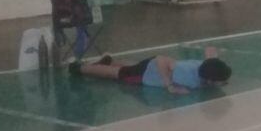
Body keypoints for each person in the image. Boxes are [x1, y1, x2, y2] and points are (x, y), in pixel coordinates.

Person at [69, 47, 232, 94]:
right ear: (210, 79)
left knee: (129, 66)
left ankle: (109, 60)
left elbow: (210, 50)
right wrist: (170, 86)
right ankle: (81, 68)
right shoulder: (186, 74)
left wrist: (215, 58)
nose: (223, 83)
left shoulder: (207, 65)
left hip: (149, 67)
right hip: (147, 73)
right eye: (221, 80)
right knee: (117, 74)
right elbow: (161, 59)